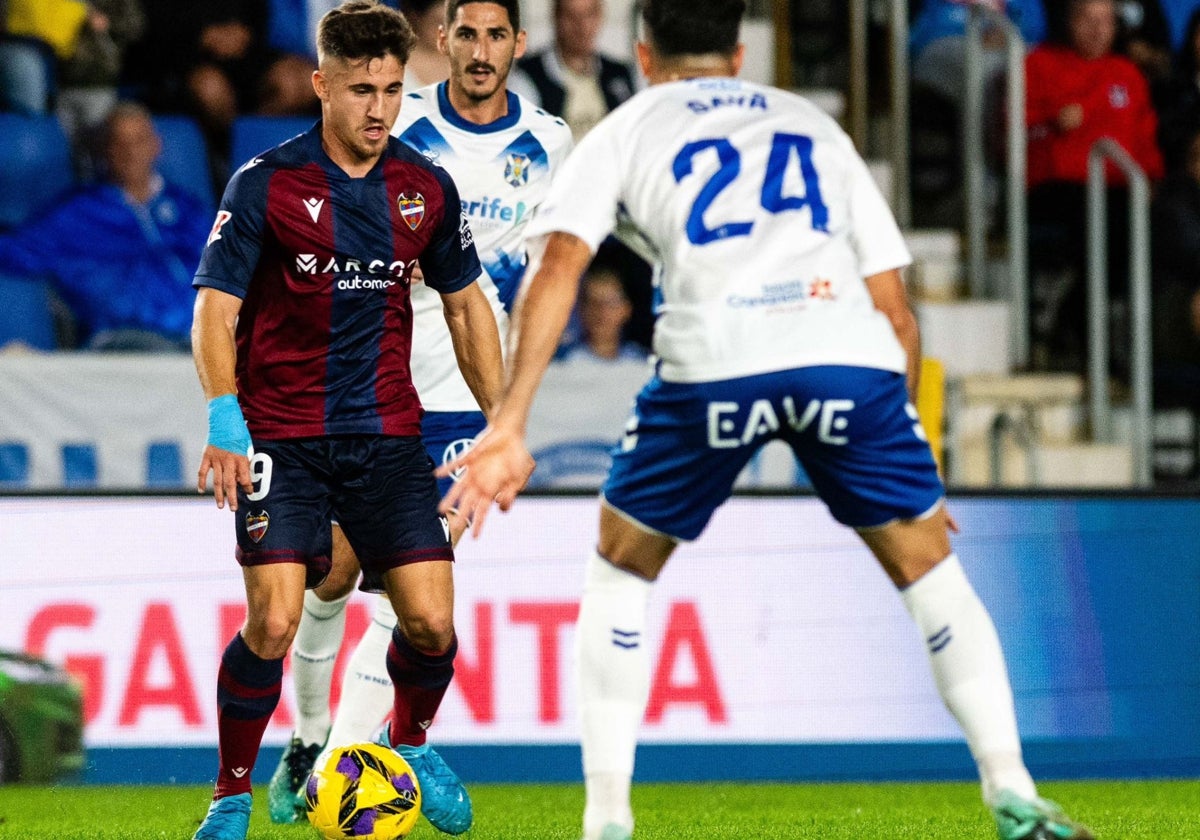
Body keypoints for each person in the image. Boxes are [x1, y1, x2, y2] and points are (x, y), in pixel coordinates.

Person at [439, 1, 1097, 839]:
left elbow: (560, 264)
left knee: (620, 573)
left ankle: (607, 819)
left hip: (718, 359)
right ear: (740, 53)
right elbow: (895, 311)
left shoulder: (625, 127)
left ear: (642, 52)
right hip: (843, 358)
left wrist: (510, 423)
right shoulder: (813, 124)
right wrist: (913, 452)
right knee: (934, 577)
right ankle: (1013, 790)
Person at [188, 2, 504, 838]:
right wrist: (225, 416)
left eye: (393, 91)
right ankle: (229, 795)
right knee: (275, 619)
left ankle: (411, 744)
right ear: (322, 85)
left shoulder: (423, 187)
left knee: (432, 623)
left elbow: (468, 309)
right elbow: (214, 311)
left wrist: (503, 422)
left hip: (389, 437)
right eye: (361, 89)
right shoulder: (264, 183)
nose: (378, 109)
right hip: (282, 437)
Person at [265, 0, 572, 824]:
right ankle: (308, 735)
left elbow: (549, 272)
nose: (480, 51)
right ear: (444, 41)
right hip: (373, 387)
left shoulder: (551, 143)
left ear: (518, 43)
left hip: (469, 401)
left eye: (496, 35)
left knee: (407, 596)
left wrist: (511, 410)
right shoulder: (399, 126)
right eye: (465, 34)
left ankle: (349, 766)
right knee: (327, 578)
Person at [0, 102, 209, 350]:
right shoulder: (76, 214)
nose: (131, 153)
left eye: (139, 141)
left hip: (203, 336)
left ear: (156, 146)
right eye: (120, 144)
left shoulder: (188, 208)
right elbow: (16, 251)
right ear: (105, 152)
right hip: (125, 339)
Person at [1025, 0, 1163, 370]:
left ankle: (1080, 328)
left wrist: (1150, 179)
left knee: (1153, 229)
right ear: (1069, 22)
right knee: (1106, 226)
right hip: (1058, 189)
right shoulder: (1038, 64)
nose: (1097, 29)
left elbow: (1146, 141)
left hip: (1119, 191)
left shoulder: (1127, 73)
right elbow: (1012, 136)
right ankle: (1083, 338)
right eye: (1088, 19)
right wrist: (1052, 123)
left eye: (1106, 21)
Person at [508, 0, 635, 141]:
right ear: (556, 17)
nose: (582, 26)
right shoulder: (528, 78)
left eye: (589, 15)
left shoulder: (621, 75)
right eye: (571, 16)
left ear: (601, 16)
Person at [557, 265, 646, 363]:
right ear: (582, 309)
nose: (602, 311)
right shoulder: (566, 360)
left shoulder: (639, 361)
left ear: (626, 309)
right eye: (593, 302)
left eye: (610, 303)